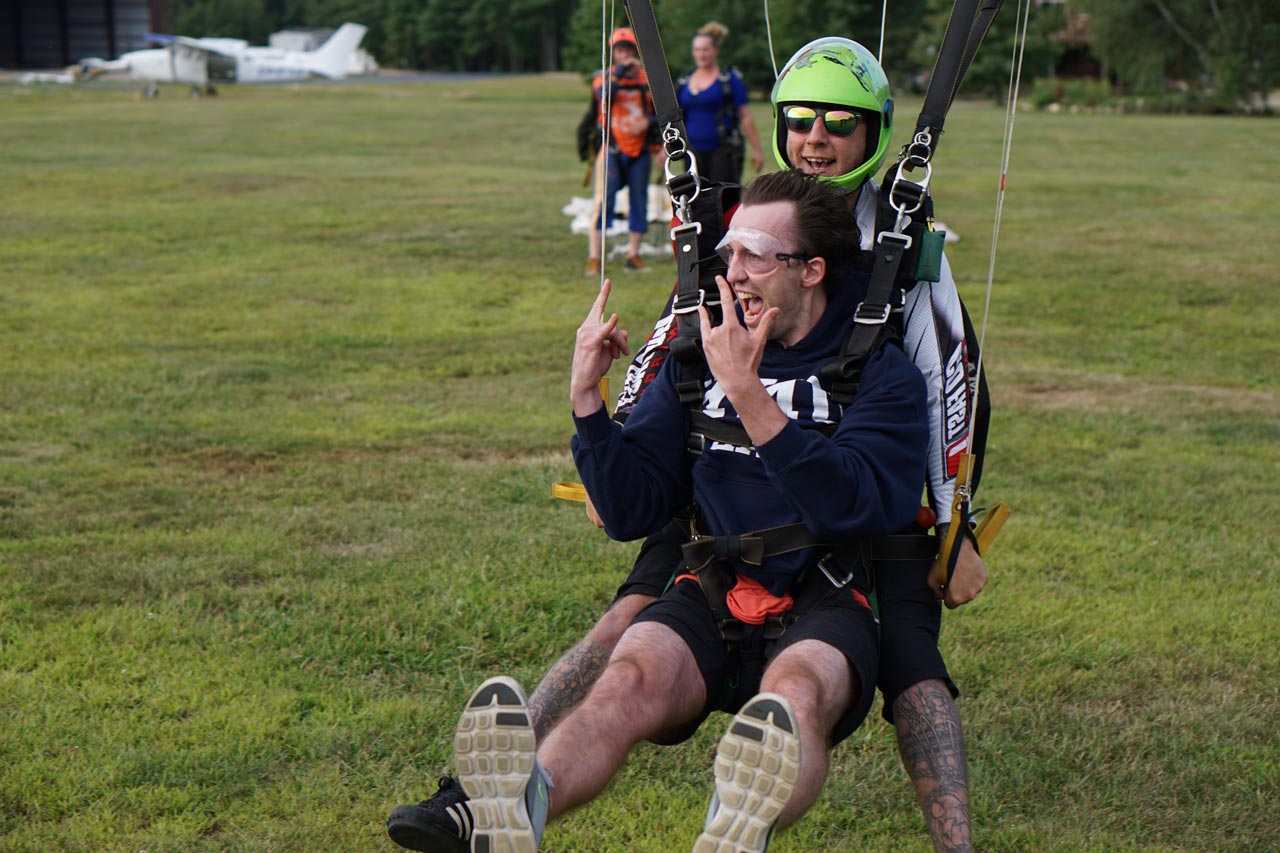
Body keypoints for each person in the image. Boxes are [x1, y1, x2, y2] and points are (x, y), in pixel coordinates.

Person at [389, 37, 990, 853]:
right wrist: (593, 410)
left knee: (896, 664)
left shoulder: (901, 259)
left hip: (845, 538)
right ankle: (491, 801)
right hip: (719, 529)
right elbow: (651, 426)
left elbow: (949, 377)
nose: (817, 136)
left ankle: (936, 840)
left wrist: (955, 521)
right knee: (623, 645)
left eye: (838, 123)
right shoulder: (725, 268)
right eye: (801, 120)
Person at [585, 27, 657, 278]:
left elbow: (661, 112)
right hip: (613, 149)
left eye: (629, 50)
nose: (625, 54)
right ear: (614, 53)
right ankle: (594, 257)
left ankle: (633, 254)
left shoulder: (646, 78)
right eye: (620, 50)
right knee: (603, 203)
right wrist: (619, 74)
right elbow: (604, 98)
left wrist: (647, 124)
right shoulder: (603, 77)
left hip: (640, 150)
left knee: (639, 202)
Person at [676, 21, 765, 184]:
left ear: (715, 51)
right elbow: (676, 117)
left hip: (723, 151)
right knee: (695, 200)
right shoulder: (684, 81)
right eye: (697, 50)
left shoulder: (729, 79)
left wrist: (757, 150)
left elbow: (745, 116)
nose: (701, 54)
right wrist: (663, 149)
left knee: (723, 199)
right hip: (692, 151)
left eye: (705, 49)